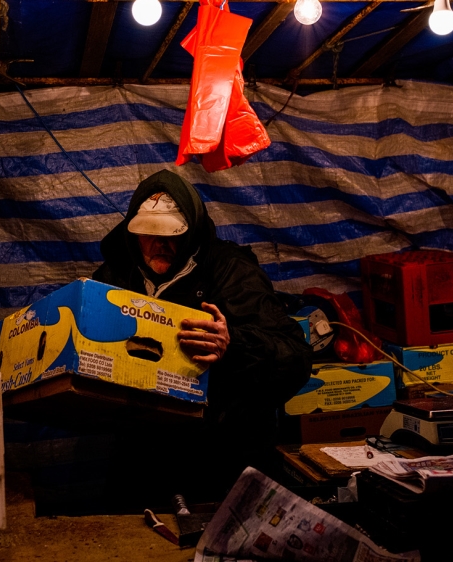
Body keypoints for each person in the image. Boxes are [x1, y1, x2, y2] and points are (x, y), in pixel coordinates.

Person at [93, 169, 312, 501]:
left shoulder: (230, 271)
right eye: (149, 233)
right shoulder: (113, 276)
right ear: (132, 233)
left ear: (192, 230)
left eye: (172, 234)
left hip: (221, 457)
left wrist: (232, 344)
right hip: (142, 457)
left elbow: (295, 357)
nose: (161, 244)